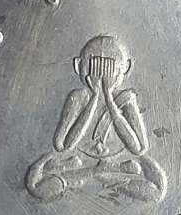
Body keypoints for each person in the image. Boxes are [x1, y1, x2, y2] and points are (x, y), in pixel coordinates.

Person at [26, 35, 166, 203]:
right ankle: (93, 176)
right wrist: (95, 97)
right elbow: (63, 145)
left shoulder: (126, 98)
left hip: (119, 166)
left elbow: (138, 149)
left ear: (126, 68)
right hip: (78, 164)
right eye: (94, 65)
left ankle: (115, 181)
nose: (101, 74)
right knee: (35, 186)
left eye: (110, 67)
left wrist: (109, 98)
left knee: (157, 190)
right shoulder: (78, 97)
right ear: (78, 66)